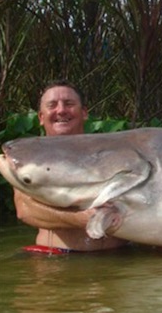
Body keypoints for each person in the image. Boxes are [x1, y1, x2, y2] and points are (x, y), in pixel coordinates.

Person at [13, 80, 127, 253]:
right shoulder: (28, 158)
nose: (61, 110)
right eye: (52, 105)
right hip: (55, 262)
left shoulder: (111, 152)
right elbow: (25, 209)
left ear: (84, 112)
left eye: (69, 104)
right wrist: (82, 219)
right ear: (41, 117)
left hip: (117, 258)